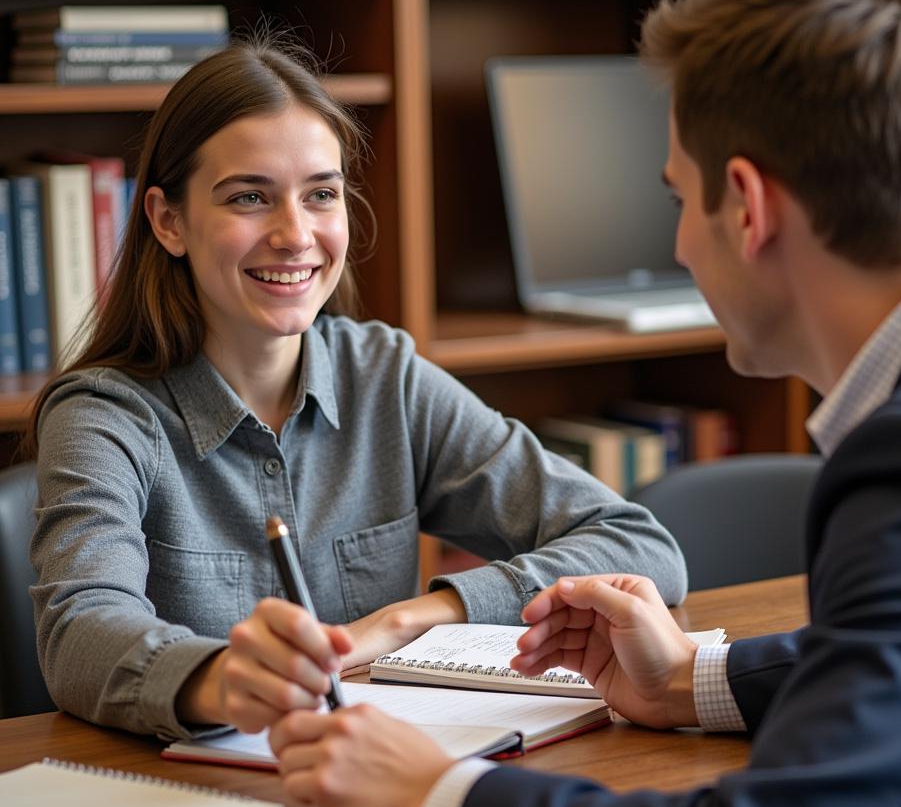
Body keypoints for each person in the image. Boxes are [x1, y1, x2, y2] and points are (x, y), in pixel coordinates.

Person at [268, 0, 901, 807]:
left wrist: (440, 792)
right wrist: (691, 681)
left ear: (747, 207)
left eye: (677, 197)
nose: (676, 246)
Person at [28, 39, 685, 743]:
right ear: (169, 221)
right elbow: (79, 631)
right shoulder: (104, 416)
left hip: (373, 778)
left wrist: (408, 621)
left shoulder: (385, 378)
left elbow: (639, 545)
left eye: (320, 195)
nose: (295, 235)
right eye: (249, 197)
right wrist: (223, 678)